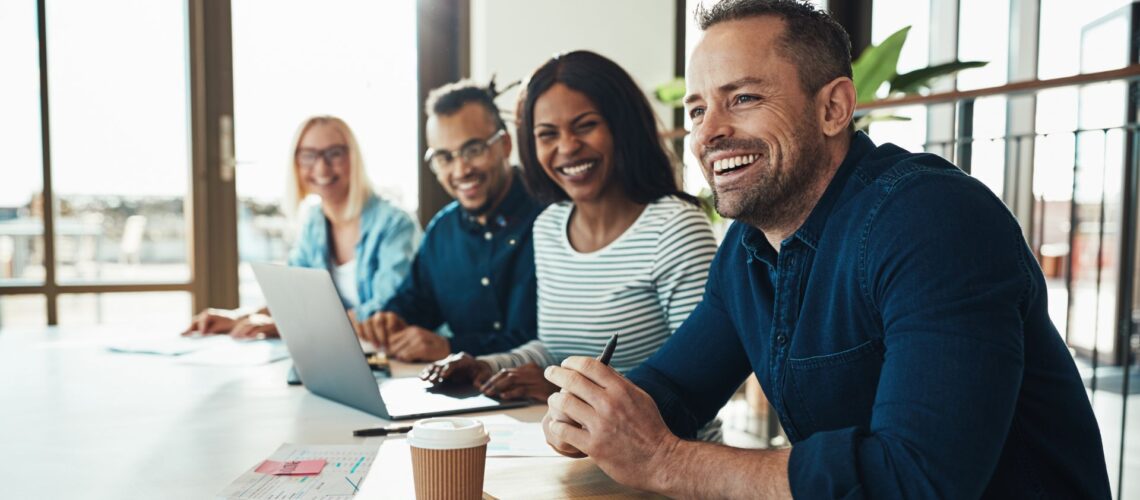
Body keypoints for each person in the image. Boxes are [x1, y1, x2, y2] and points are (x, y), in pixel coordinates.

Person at [539, 1, 1112, 498]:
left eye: (741, 97)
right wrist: (593, 412)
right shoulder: (748, 248)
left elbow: (918, 480)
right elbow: (677, 388)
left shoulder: (932, 219)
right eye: (696, 110)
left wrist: (666, 460)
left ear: (833, 108)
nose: (708, 132)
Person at [421, 51, 718, 410]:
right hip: (572, 449)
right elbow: (553, 350)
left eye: (585, 126)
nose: (566, 147)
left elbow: (701, 381)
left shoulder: (675, 227)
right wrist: (485, 365)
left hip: (665, 459)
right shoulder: (549, 226)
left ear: (620, 126)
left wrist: (568, 394)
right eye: (547, 134)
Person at [354, 80, 544, 362]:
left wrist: (451, 348)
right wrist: (392, 319)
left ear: (504, 145)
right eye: (444, 157)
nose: (461, 170)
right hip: (462, 395)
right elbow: (417, 301)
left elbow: (546, 341)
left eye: (473, 150)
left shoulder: (551, 220)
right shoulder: (442, 231)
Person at [183, 116, 419, 339]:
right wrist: (239, 317)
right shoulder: (315, 221)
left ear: (354, 158)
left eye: (334, 154)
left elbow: (386, 313)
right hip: (342, 354)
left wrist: (289, 327)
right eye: (308, 155)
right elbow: (294, 297)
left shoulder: (394, 224)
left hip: (397, 357)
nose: (321, 168)